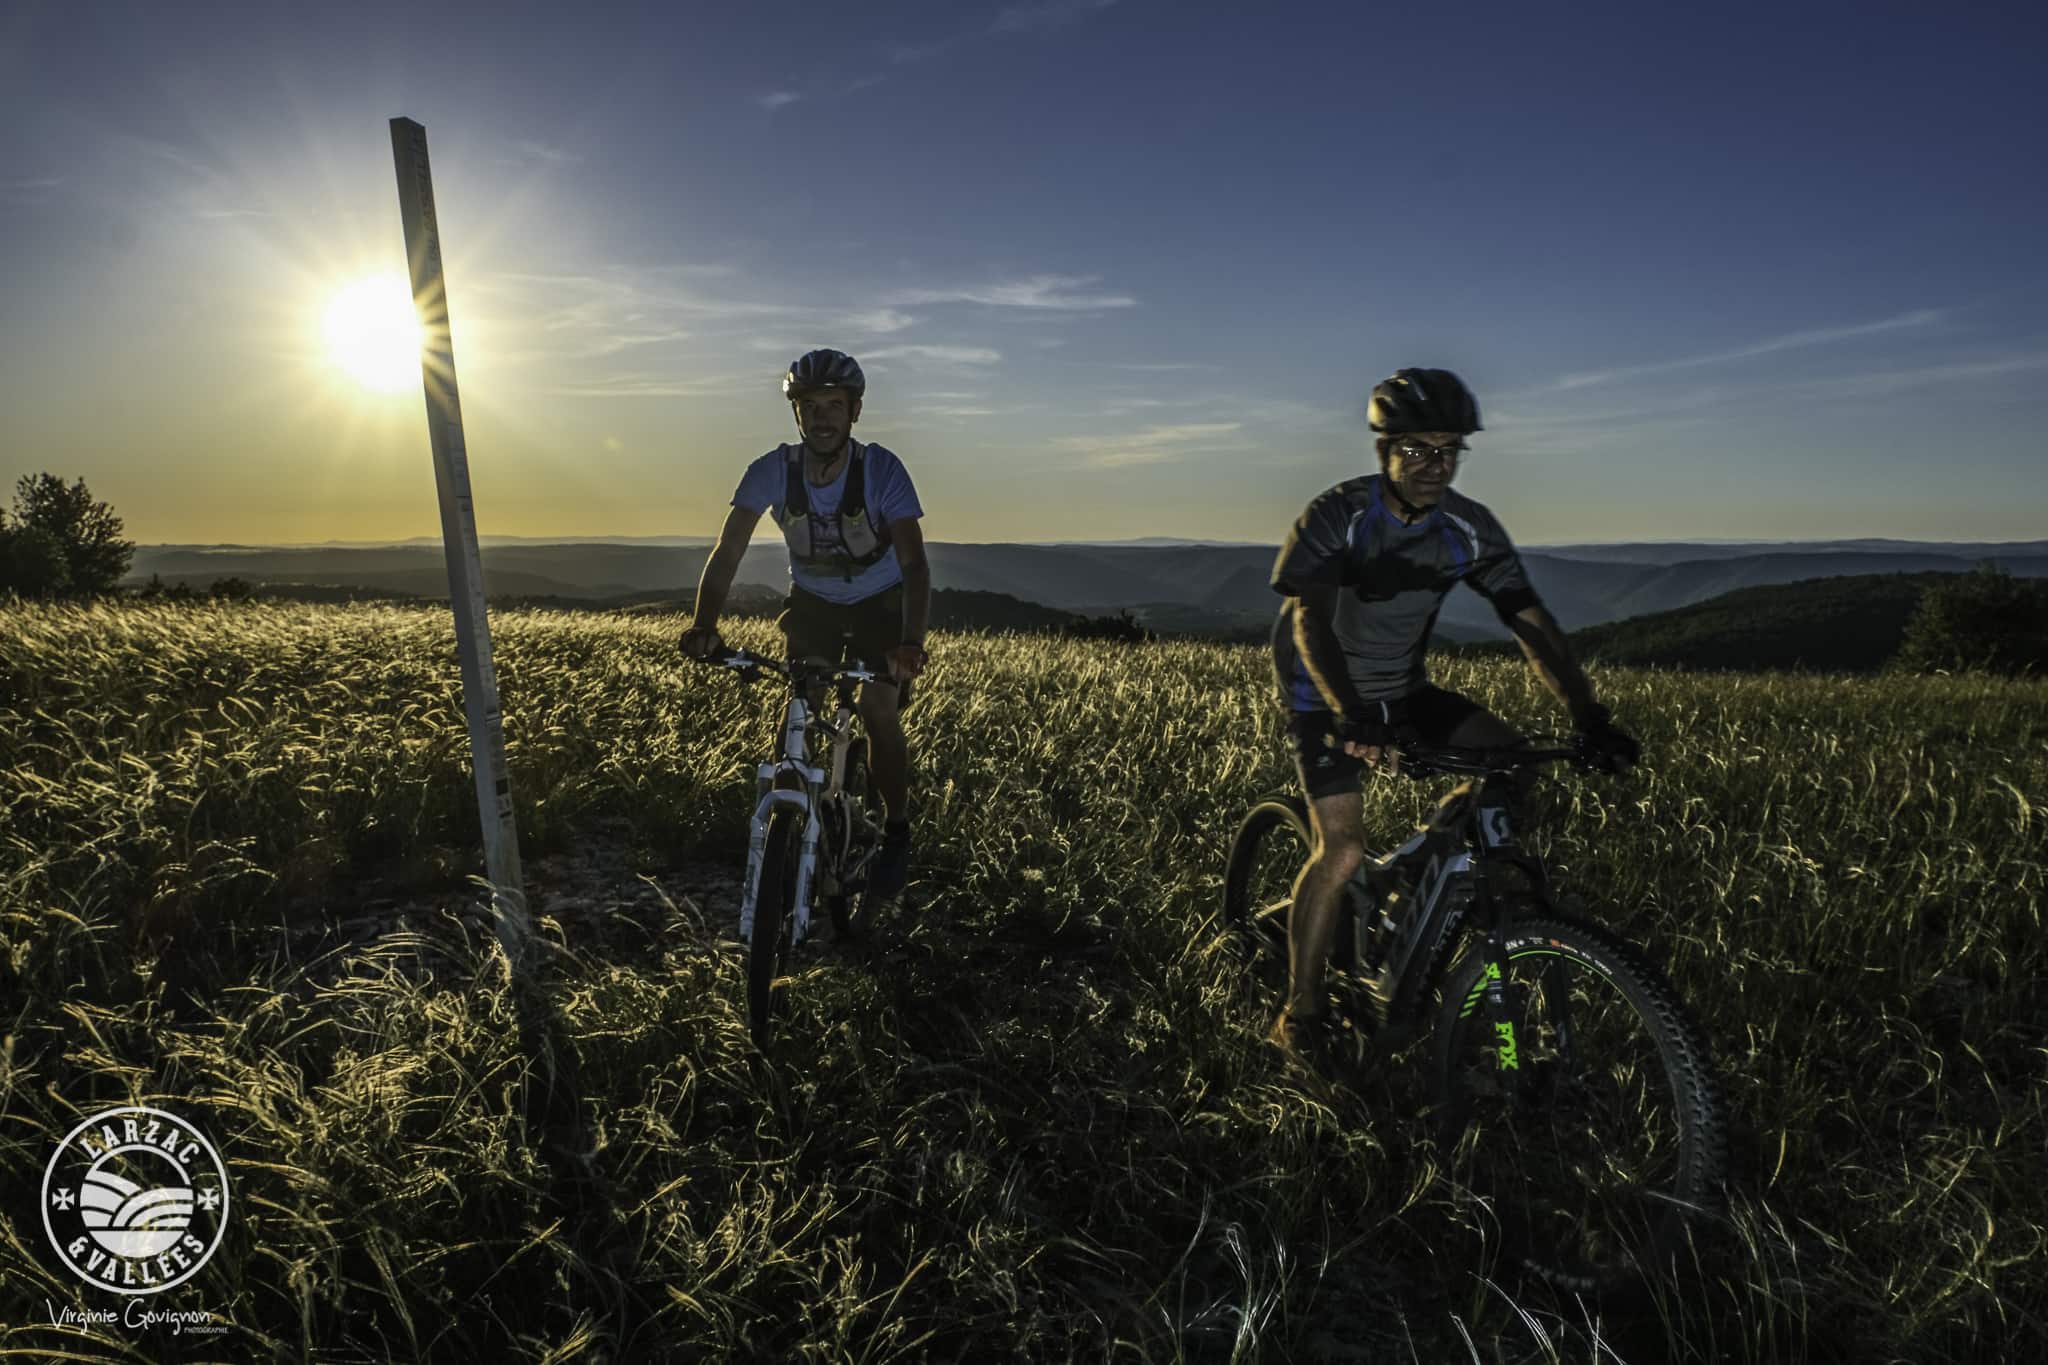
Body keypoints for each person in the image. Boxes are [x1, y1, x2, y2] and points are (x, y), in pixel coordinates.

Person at [1266, 366, 1638, 1060]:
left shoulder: (1467, 528)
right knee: (1343, 850)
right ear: (1384, 450)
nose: (1435, 465)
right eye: (1417, 450)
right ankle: (1301, 1012)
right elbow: (1309, 621)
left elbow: (1529, 620)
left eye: (1448, 450)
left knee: (1512, 762)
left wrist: (1589, 715)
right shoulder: (1338, 515)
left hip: (1404, 687)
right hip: (1325, 692)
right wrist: (1351, 714)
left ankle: (1424, 860)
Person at [680, 348, 931, 904]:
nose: (821, 418)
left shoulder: (881, 470)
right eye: (810, 406)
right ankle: (788, 828)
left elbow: (914, 565)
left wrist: (910, 643)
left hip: (880, 602)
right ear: (797, 413)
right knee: (800, 701)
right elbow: (729, 551)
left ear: (854, 412)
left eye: (833, 406)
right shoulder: (773, 470)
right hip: (814, 601)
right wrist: (704, 625)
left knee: (877, 708)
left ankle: (895, 829)